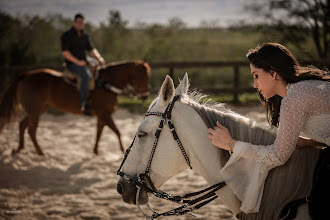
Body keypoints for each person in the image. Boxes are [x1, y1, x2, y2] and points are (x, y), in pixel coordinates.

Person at [208, 43, 330, 218]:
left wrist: (231, 144)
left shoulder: (295, 97)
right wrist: (311, 142)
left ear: (273, 72)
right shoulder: (304, 88)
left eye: (256, 76)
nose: (254, 84)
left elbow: (277, 157)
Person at [61, 13, 105, 115]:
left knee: (100, 67)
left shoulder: (84, 36)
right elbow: (65, 52)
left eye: (82, 22)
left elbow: (91, 49)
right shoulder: (67, 35)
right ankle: (83, 103)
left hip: (84, 60)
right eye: (78, 22)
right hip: (72, 63)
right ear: (74, 22)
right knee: (86, 76)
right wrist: (77, 62)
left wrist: (99, 58)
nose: (80, 24)